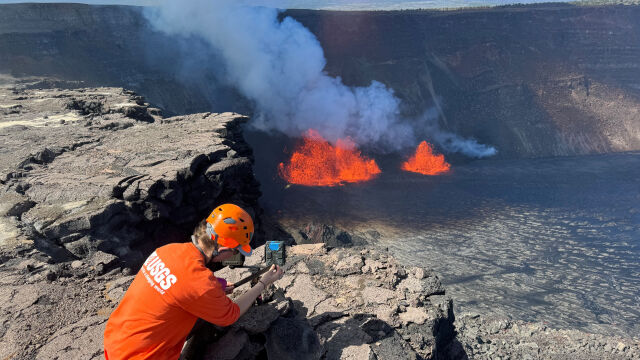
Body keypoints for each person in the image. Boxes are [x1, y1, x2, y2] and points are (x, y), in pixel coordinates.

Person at [103, 203, 284, 360]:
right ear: (224, 248)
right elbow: (231, 315)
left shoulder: (166, 250)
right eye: (236, 251)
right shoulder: (201, 284)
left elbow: (179, 281)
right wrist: (264, 283)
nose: (234, 255)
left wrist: (217, 286)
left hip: (115, 342)